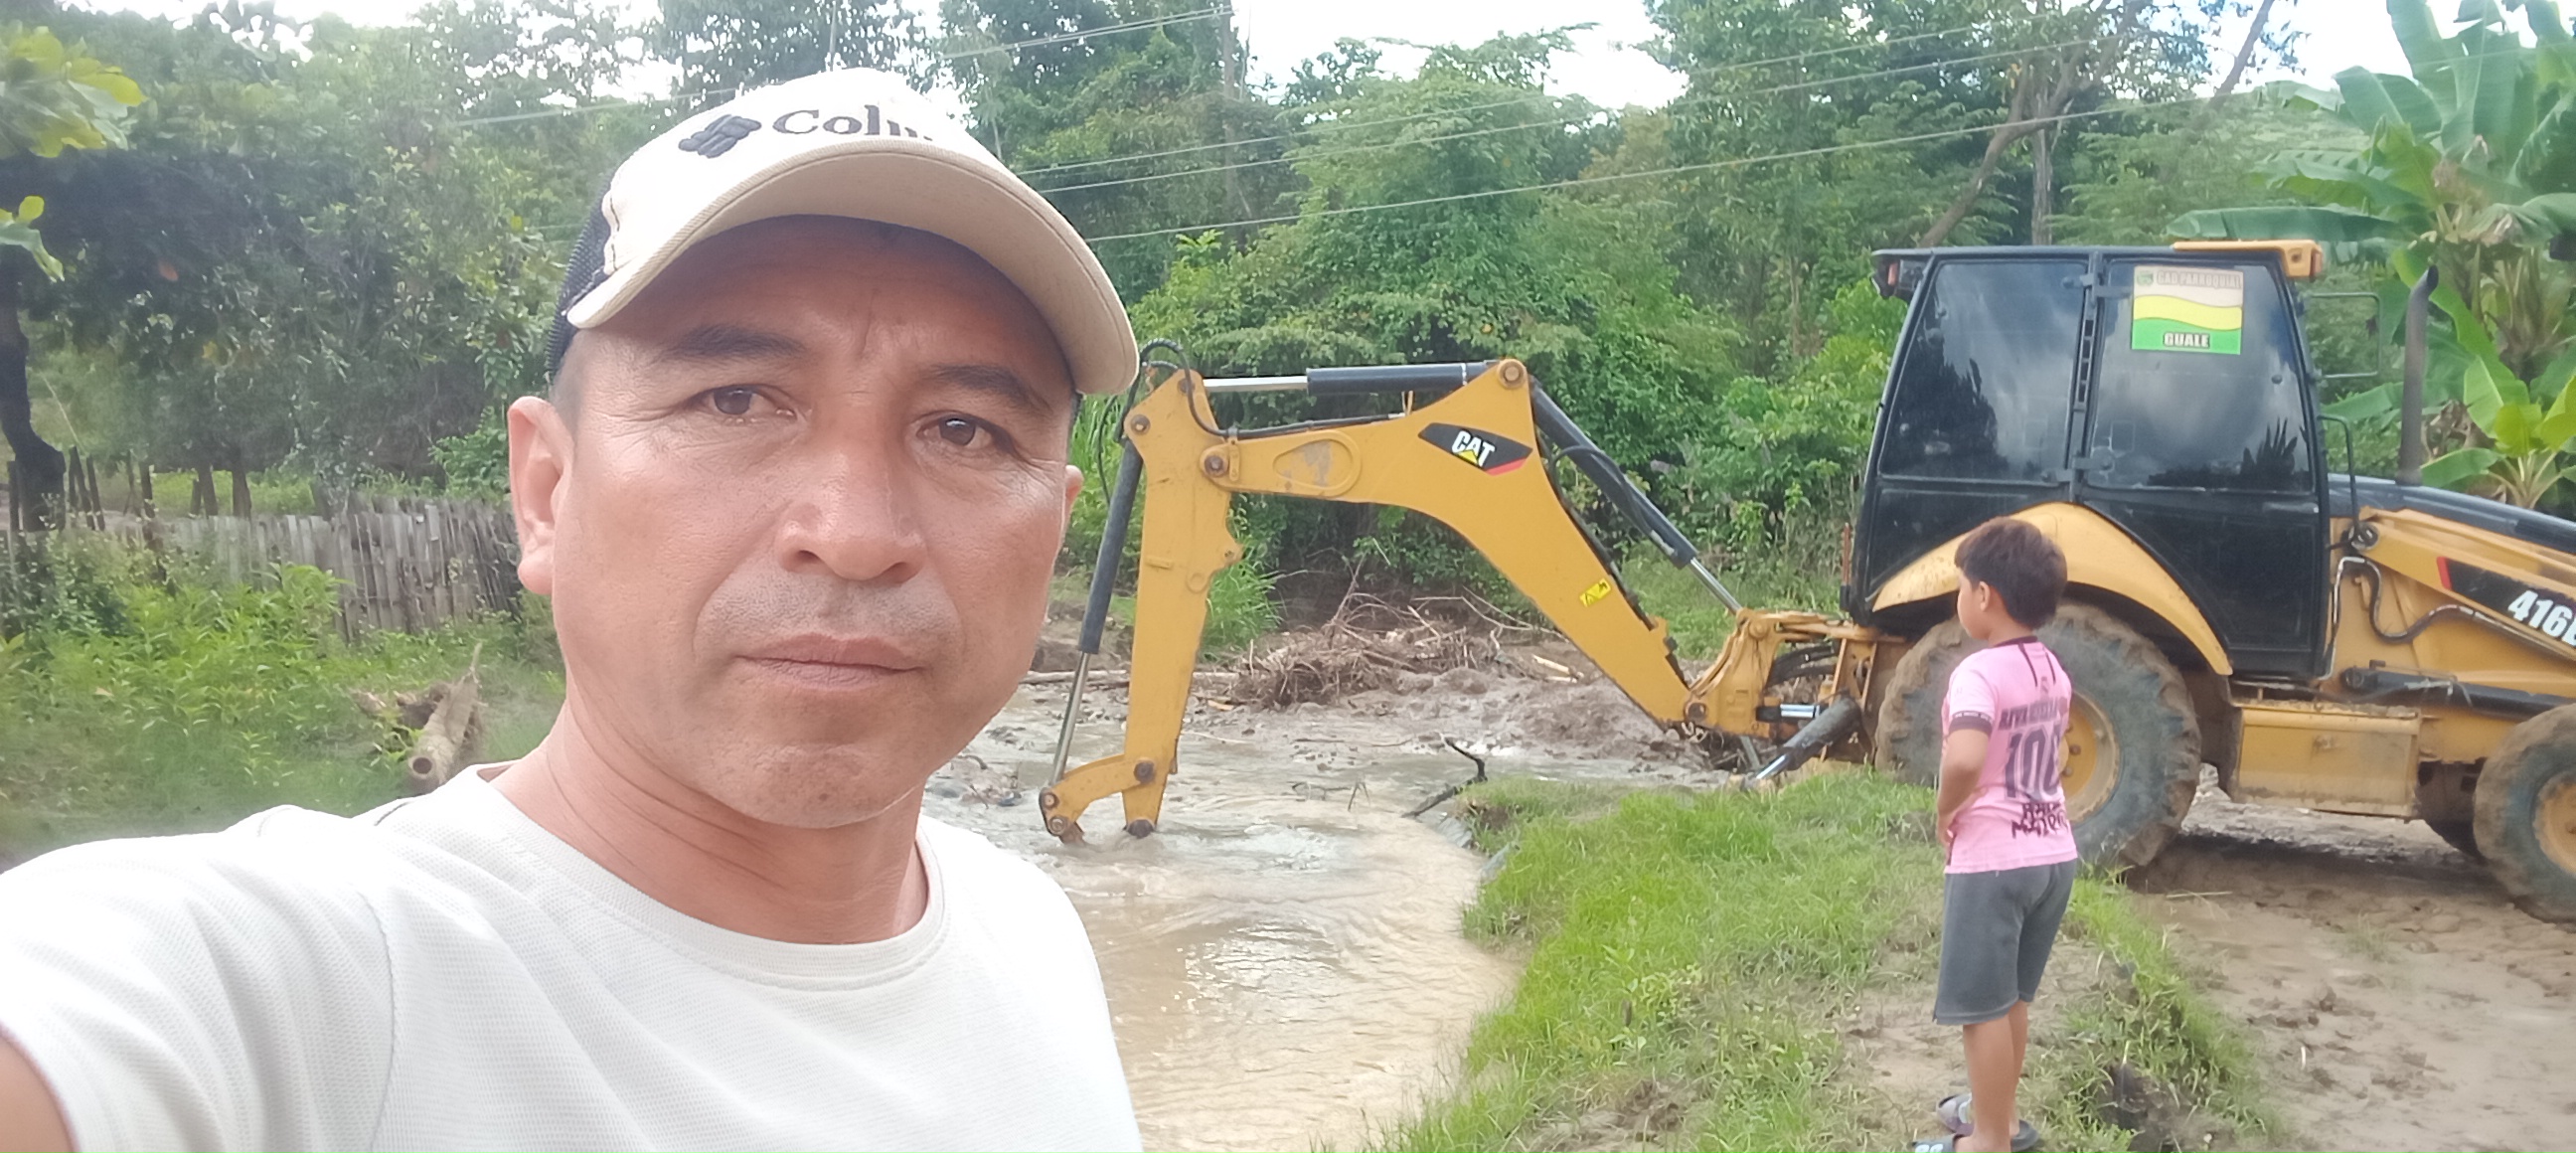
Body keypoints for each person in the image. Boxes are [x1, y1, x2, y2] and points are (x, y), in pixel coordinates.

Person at [0, 70, 1146, 1152]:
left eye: (964, 430)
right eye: (734, 399)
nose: (853, 532)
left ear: (1054, 526)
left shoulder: (1032, 934)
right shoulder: (285, 990)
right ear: (546, 492)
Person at [1915, 517, 2079, 1153]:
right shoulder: (2051, 668)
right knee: (2011, 1000)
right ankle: (2001, 1118)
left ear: (1985, 596)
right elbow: (2057, 753)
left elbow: (1963, 758)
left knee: (1980, 1009)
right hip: (2053, 854)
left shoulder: (1978, 674)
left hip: (1993, 863)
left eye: (1962, 585)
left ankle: (1986, 1141)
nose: (1960, 597)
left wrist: (1946, 809)